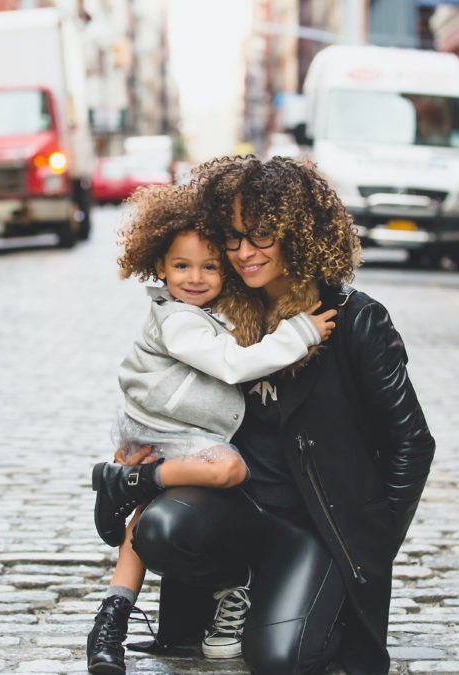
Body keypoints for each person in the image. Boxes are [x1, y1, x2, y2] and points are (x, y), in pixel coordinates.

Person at [126, 156, 436, 675]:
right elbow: (169, 391)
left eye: (262, 235)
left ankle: (310, 598)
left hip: (315, 527)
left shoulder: (356, 320)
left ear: (298, 232)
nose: (244, 252)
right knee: (159, 529)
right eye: (233, 236)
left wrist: (370, 545)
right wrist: (146, 443)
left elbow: (412, 443)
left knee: (280, 660)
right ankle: (240, 589)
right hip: (239, 511)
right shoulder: (220, 313)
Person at [86, 182, 338, 675]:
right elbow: (230, 365)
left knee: (143, 517)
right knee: (227, 468)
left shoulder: (206, 311)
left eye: (210, 266)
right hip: (170, 428)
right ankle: (133, 484)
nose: (196, 278)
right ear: (159, 267)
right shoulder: (177, 319)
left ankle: (110, 618)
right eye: (182, 267)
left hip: (163, 427)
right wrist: (301, 333)